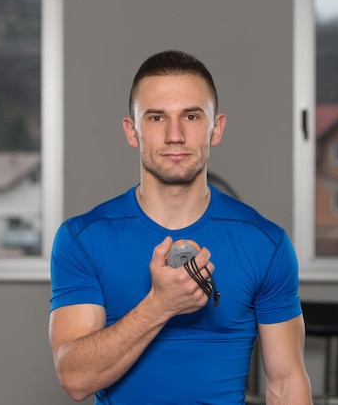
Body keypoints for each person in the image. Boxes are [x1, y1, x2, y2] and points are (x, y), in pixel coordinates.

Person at [48, 50, 312, 404]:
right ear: (132, 131)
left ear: (216, 128)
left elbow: (285, 384)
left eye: (191, 116)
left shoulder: (266, 243)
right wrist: (160, 306)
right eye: (156, 117)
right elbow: (75, 379)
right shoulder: (82, 239)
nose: (175, 135)